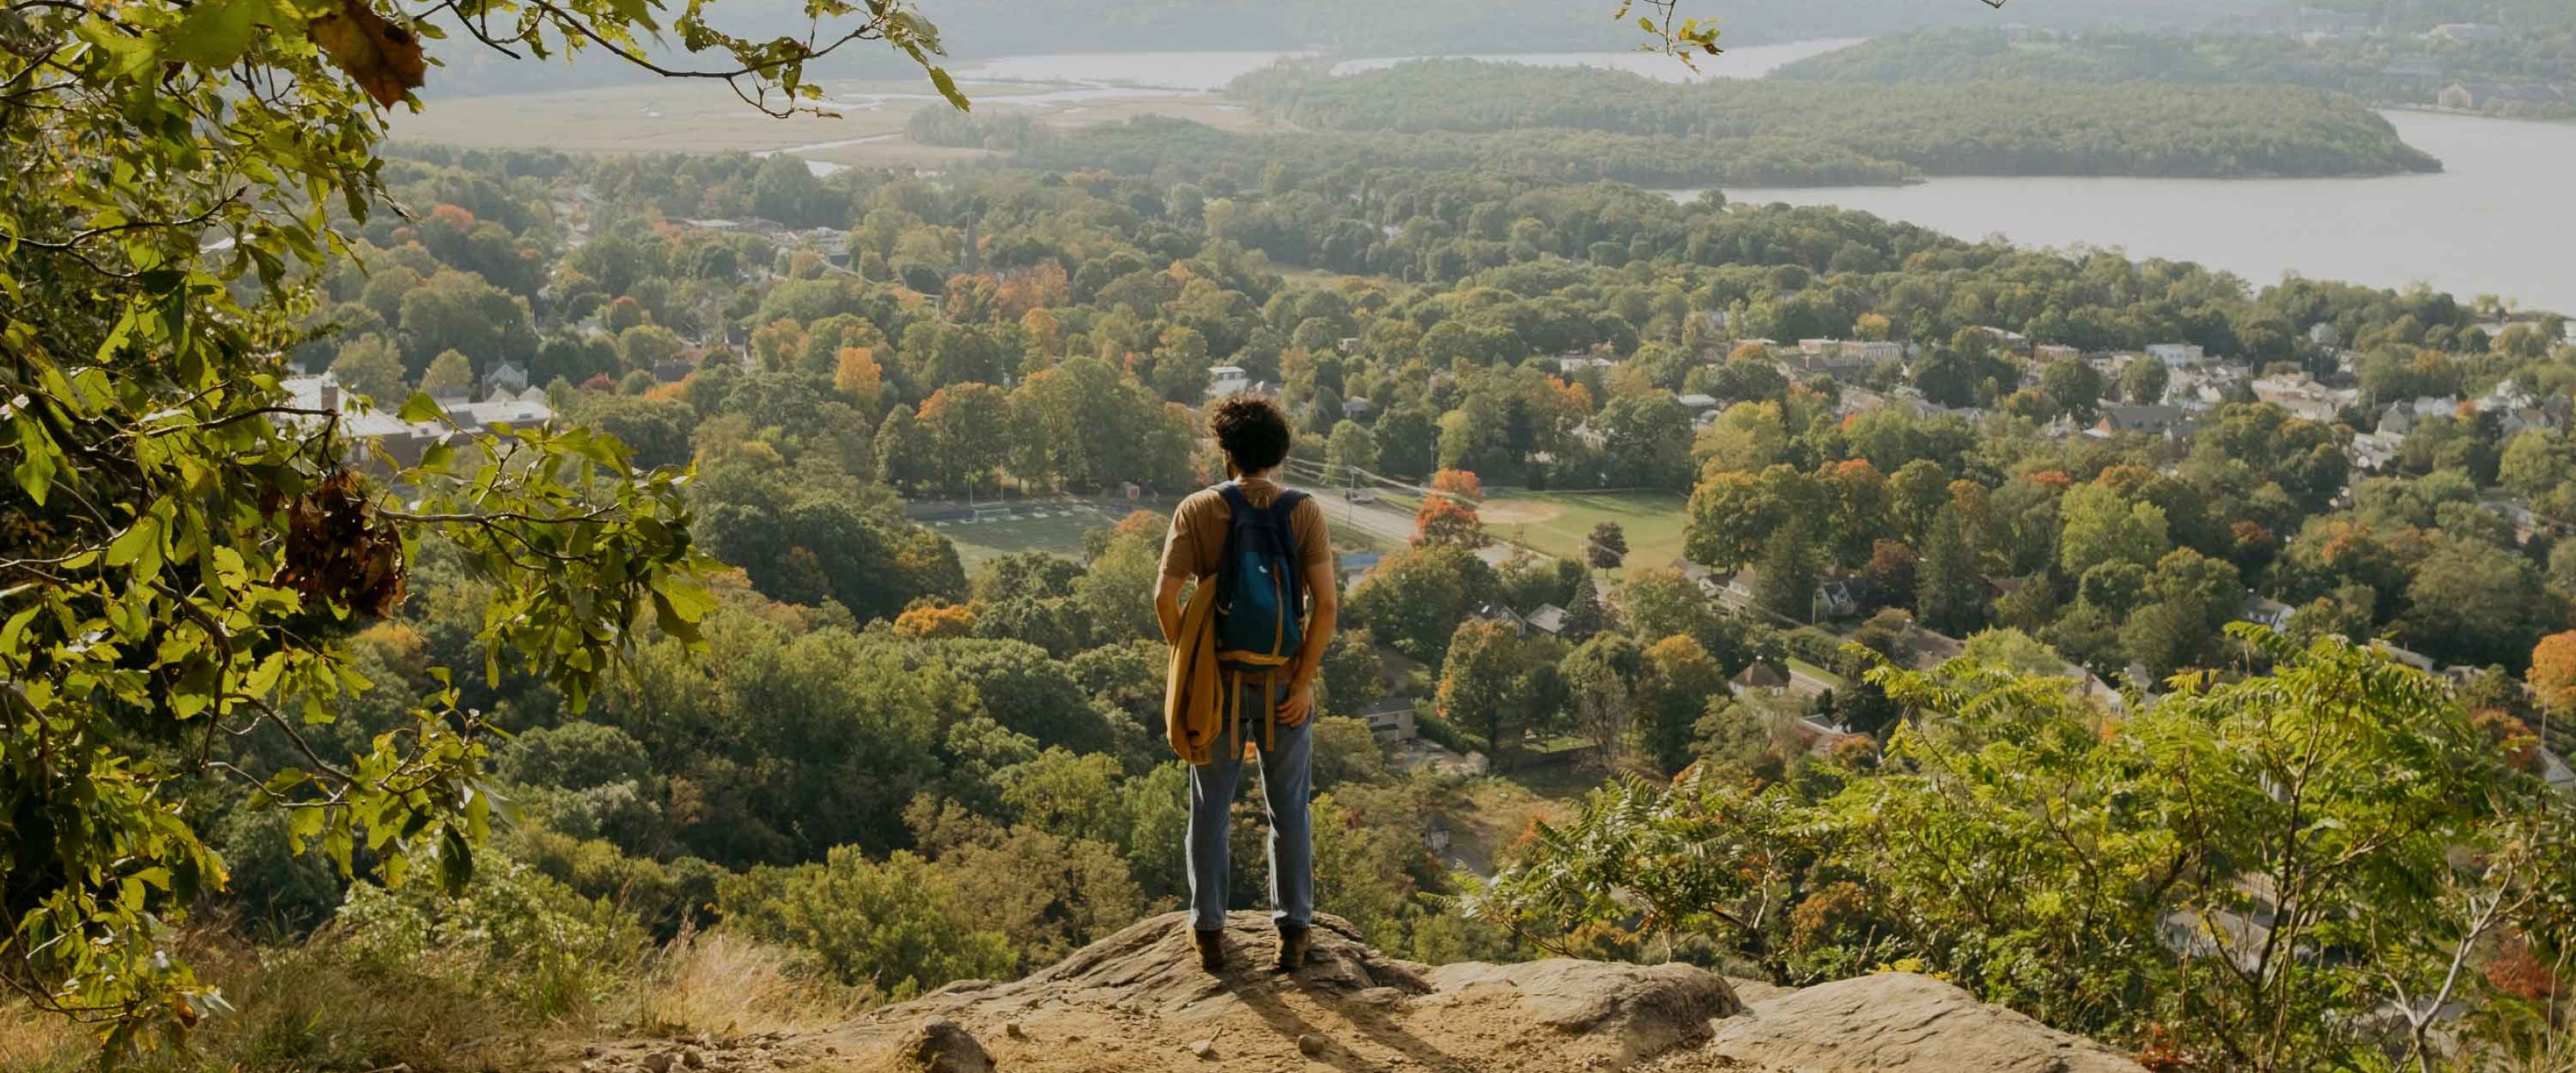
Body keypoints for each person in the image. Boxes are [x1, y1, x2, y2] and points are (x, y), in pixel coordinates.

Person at [1155, 396, 1337, 974]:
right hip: (1285, 683)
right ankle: (1294, 931)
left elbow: (1165, 596)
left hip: (1219, 686)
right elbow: (1327, 606)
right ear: (1277, 454)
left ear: (1226, 451)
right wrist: (1304, 682)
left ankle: (1209, 930)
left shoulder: (1197, 509)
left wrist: (1190, 660)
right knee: (1289, 812)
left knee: (1210, 809)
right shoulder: (1304, 511)